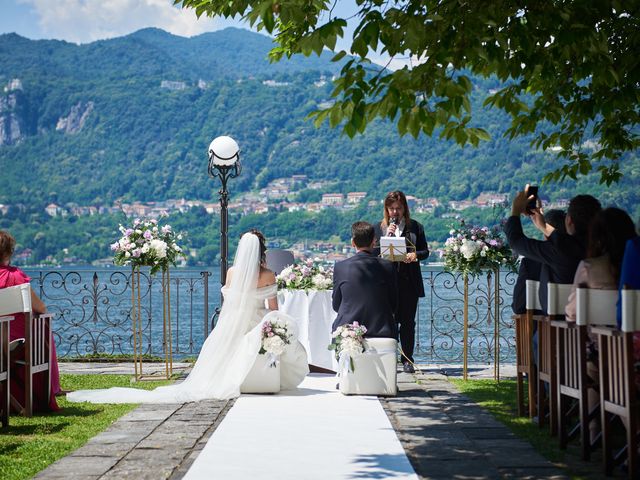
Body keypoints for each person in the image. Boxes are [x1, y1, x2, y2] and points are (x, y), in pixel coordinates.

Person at [68, 230, 309, 403]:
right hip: (259, 320)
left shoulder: (232, 272)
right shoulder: (268, 275)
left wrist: (228, 325)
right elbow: (274, 309)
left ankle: (237, 380)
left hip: (233, 320)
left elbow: (230, 303)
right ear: (262, 250)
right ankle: (260, 380)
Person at [563, 207, 636, 443]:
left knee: (592, 361)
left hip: (607, 354)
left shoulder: (590, 267)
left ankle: (594, 429)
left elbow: (572, 313)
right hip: (633, 352)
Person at [504, 186, 602, 313]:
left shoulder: (561, 250)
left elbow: (516, 242)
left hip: (558, 328)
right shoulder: (605, 249)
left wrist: (515, 211)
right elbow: (564, 241)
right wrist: (543, 226)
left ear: (569, 220)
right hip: (600, 328)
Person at [0, 230, 61, 412]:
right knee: (43, 326)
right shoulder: (16, 277)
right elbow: (40, 308)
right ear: (9, 252)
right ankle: (41, 393)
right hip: (14, 346)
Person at [373, 191, 429, 373]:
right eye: (391, 209)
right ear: (386, 210)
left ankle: (407, 359)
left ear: (405, 208)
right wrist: (386, 238)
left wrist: (415, 255)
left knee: (407, 323)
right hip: (386, 283)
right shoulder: (378, 228)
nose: (395, 213)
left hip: (408, 282)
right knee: (388, 322)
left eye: (398, 208)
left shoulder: (416, 228)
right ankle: (388, 359)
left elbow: (425, 252)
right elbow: (373, 254)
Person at [332, 221, 397, 339]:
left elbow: (336, 305)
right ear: (374, 241)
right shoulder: (388, 265)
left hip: (349, 329)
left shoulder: (340, 267)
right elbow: (393, 304)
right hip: (382, 330)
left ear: (352, 243)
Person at [511, 209, 566, 315]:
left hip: (541, 328)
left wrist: (516, 209)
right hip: (578, 328)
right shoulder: (583, 261)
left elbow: (518, 307)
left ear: (544, 231)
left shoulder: (529, 264)